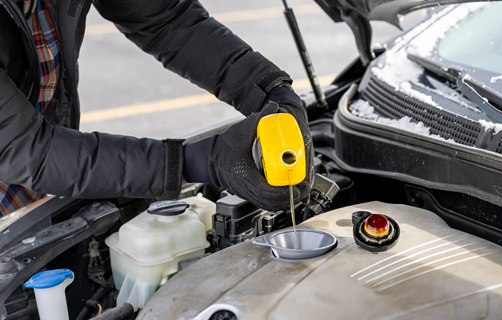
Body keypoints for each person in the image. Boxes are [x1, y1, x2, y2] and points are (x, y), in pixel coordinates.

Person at [0, 0, 313, 215]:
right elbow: (23, 147)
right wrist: (196, 161)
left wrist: (269, 89)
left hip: (41, 184)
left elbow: (166, 19)